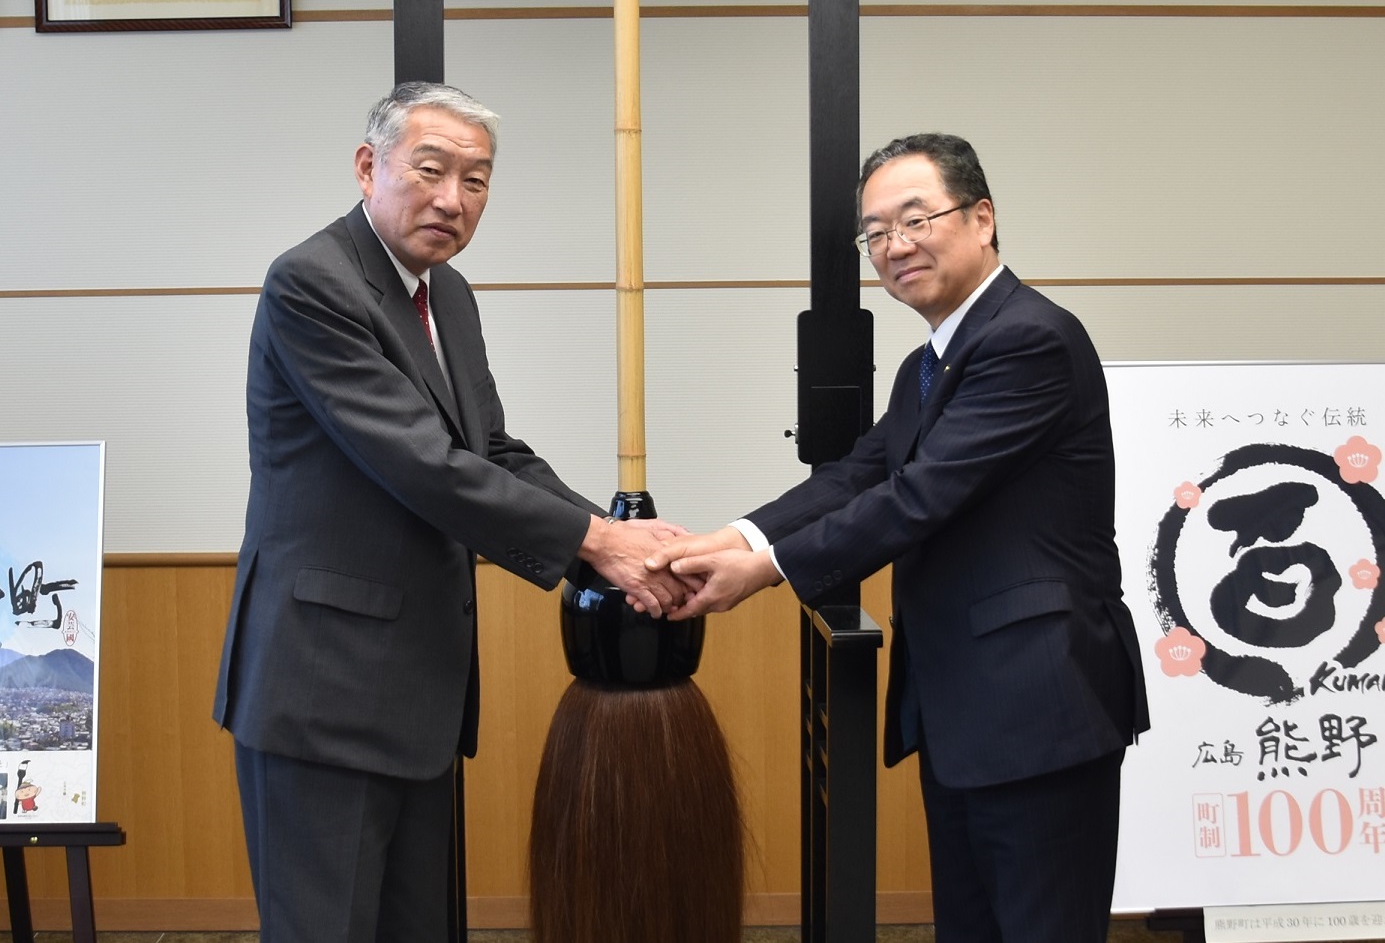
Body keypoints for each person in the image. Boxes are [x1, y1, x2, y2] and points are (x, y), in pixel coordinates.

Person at [212, 81, 686, 943]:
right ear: (367, 167)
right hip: (323, 689)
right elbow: (422, 467)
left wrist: (610, 543)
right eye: (430, 169)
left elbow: (489, 451)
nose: (451, 198)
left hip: (416, 692)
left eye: (475, 180)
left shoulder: (448, 294)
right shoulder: (312, 284)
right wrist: (600, 541)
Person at [648, 133, 1150, 943]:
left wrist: (764, 569)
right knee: (973, 926)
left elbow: (918, 497)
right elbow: (859, 473)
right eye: (874, 232)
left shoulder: (1027, 339)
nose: (894, 246)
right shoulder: (933, 360)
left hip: (1038, 703)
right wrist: (730, 536)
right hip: (968, 704)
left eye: (915, 219)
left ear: (982, 219)